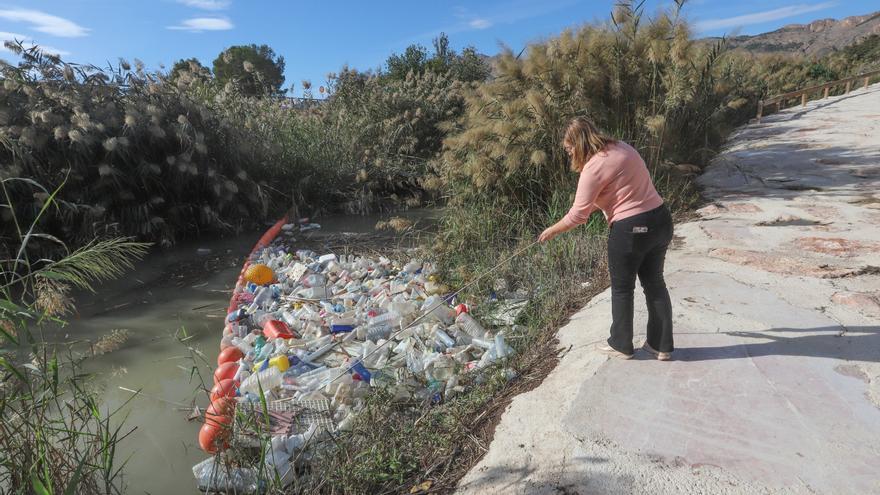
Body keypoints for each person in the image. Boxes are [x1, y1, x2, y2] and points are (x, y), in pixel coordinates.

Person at [538, 116, 674, 361]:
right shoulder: (624, 148)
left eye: (569, 149)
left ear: (578, 144)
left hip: (630, 230)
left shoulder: (593, 168)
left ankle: (621, 344)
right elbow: (619, 192)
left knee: (622, 288)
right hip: (661, 220)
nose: (569, 155)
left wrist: (552, 230)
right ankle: (661, 345)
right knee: (655, 283)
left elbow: (578, 216)